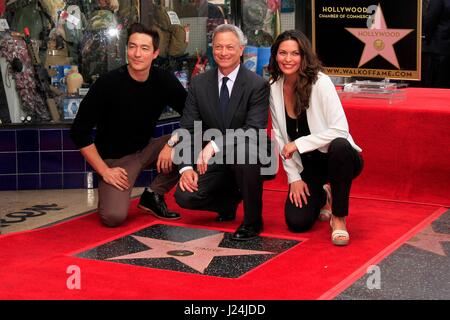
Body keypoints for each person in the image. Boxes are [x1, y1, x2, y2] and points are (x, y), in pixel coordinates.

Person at [70, 23, 187, 227]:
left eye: (144, 48)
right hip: (116, 160)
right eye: (132, 46)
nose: (137, 54)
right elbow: (79, 131)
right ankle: (111, 191)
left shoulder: (163, 79)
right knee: (113, 217)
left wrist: (171, 145)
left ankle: (153, 194)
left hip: (147, 148)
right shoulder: (107, 84)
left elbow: (192, 113)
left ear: (155, 53)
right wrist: (104, 171)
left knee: (198, 139)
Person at [174, 24, 270, 241]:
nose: (223, 52)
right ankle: (228, 200)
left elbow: (253, 130)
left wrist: (215, 144)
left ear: (241, 50)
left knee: (245, 154)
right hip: (213, 160)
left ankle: (253, 221)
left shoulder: (257, 84)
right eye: (218, 47)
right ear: (212, 49)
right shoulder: (199, 83)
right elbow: (188, 127)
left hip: (249, 154)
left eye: (229, 47)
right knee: (184, 196)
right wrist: (186, 167)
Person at [268, 30, 363, 246]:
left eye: (295, 53)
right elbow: (280, 137)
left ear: (304, 56)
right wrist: (294, 178)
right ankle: (323, 195)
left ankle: (338, 218)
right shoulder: (274, 86)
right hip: (308, 166)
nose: (288, 59)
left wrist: (298, 143)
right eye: (283, 53)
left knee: (340, 146)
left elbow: (340, 130)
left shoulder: (321, 82)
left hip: (338, 159)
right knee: (296, 222)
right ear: (275, 55)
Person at [422, 0, 450, 88]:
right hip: (443, 46)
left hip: (437, 46)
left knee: (435, 83)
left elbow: (431, 18)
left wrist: (424, 34)